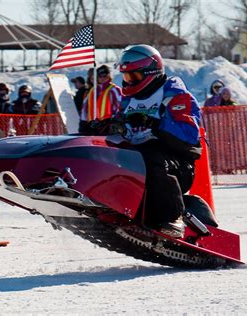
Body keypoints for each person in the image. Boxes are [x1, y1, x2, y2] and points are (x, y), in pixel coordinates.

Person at [116, 44, 202, 238]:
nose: (129, 82)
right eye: (126, 77)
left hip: (177, 163)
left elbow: (189, 134)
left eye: (134, 77)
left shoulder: (174, 95)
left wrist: (155, 124)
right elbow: (121, 126)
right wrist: (106, 125)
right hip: (138, 155)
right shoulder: (129, 100)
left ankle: (173, 218)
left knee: (149, 157)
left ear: (150, 73)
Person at [79, 65, 122, 135]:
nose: (102, 78)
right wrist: (83, 123)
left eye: (104, 76)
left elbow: (120, 106)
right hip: (92, 125)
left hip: (108, 126)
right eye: (100, 76)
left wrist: (114, 120)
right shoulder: (93, 90)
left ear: (109, 76)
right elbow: (85, 107)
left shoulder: (114, 89)